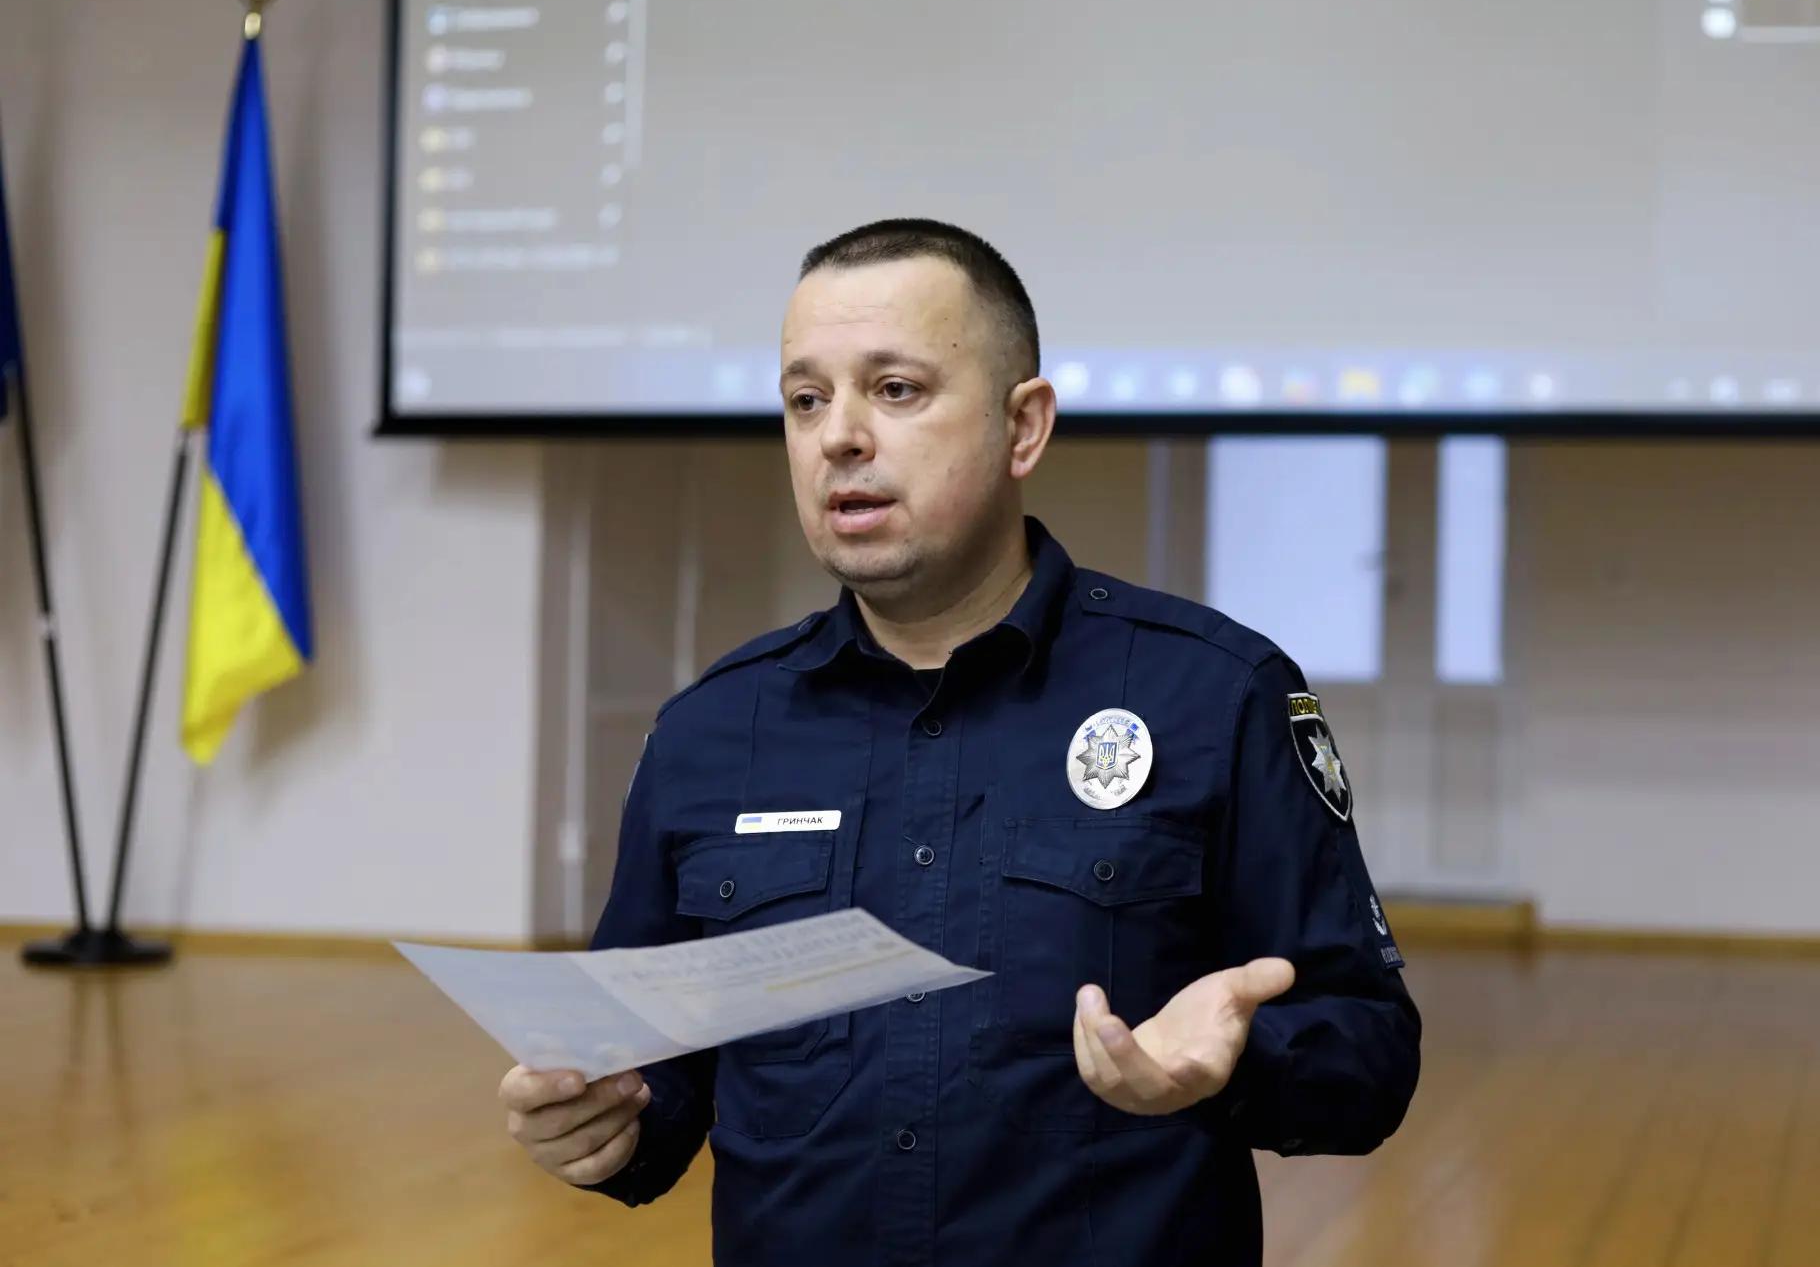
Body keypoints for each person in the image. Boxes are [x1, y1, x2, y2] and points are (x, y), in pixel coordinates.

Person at [497, 219, 1420, 1266]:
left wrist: (1237, 1058)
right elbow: (654, 1075)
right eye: (806, 400)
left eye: (894, 390)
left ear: (1022, 427)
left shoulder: (1214, 695)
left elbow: (1371, 1053)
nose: (839, 437)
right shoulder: (711, 731)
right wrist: (604, 1122)